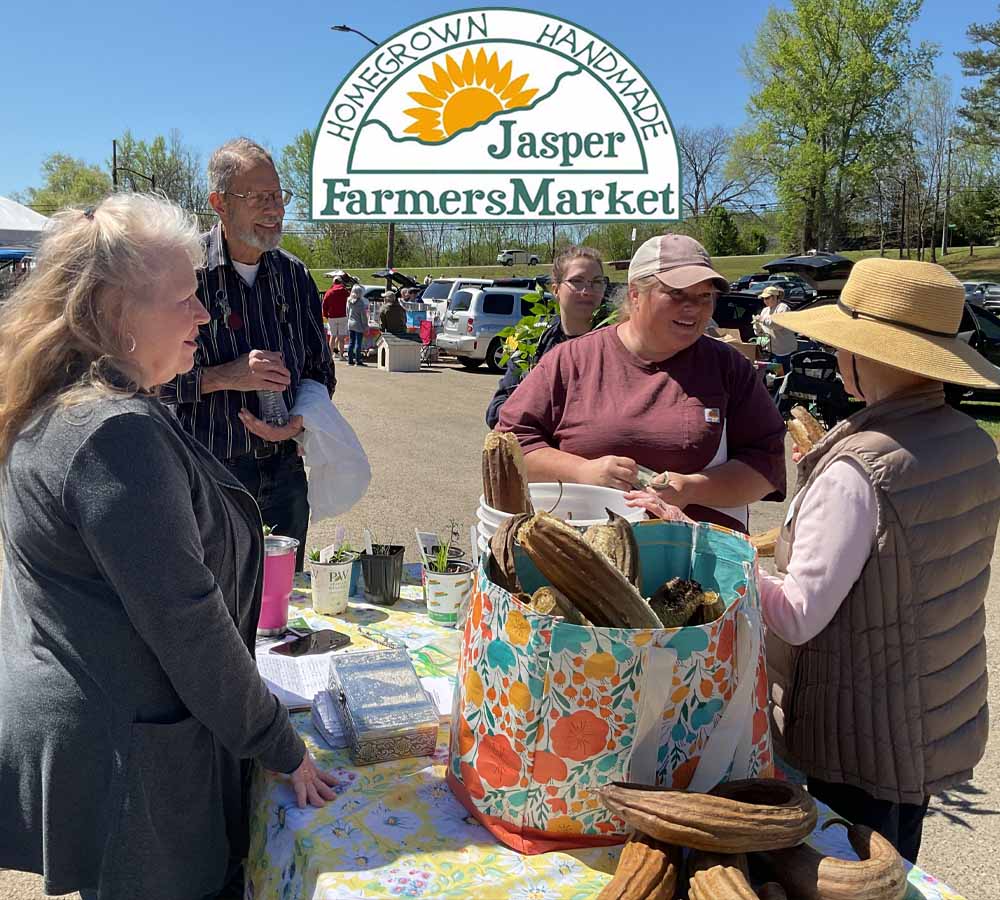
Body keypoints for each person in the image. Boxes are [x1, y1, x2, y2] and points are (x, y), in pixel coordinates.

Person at [0, 194, 337, 900]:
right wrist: (280, 743)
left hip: (115, 730)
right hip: (132, 757)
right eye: (185, 297)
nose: (205, 315)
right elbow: (186, 622)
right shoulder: (111, 433)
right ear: (117, 313)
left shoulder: (75, 402)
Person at [759, 258, 1000, 863]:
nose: (838, 358)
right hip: (926, 716)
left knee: (852, 875)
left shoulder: (859, 469)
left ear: (876, 355)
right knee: (898, 864)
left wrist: (728, 558)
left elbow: (794, 613)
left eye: (846, 345)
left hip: (856, 735)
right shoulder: (971, 440)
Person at [497, 234, 786, 532]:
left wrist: (692, 488)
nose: (694, 308)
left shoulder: (728, 367)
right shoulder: (571, 360)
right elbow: (507, 445)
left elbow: (767, 465)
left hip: (696, 562)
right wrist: (581, 470)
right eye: (677, 294)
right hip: (583, 561)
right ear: (635, 294)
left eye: (704, 296)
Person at [160, 138, 335, 571]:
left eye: (278, 195)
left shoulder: (293, 275)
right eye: (259, 197)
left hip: (286, 474)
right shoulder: (184, 272)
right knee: (213, 603)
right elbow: (149, 379)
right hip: (210, 472)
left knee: (284, 604)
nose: (274, 208)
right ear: (220, 202)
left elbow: (320, 369)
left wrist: (298, 422)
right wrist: (225, 376)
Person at [486, 245, 605, 428]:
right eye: (577, 281)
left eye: (596, 281)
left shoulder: (617, 341)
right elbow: (496, 410)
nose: (587, 290)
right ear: (556, 290)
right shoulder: (535, 341)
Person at [753, 285, 797, 371]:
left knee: (783, 376)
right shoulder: (765, 311)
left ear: (774, 297)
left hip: (784, 352)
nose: (765, 301)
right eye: (764, 298)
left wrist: (761, 320)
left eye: (767, 298)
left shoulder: (783, 308)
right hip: (770, 352)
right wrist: (756, 325)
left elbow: (777, 325)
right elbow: (760, 333)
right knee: (772, 377)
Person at [322, 275, 350, 358]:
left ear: (333, 282)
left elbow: (324, 305)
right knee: (341, 337)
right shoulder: (345, 291)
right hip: (343, 316)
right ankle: (341, 355)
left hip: (332, 317)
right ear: (341, 282)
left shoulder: (329, 292)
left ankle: (330, 356)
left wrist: (325, 315)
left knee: (332, 336)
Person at [346, 283, 369, 366]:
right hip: (358, 323)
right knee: (358, 343)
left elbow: (347, 312)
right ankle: (358, 360)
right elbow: (363, 316)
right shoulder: (361, 302)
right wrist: (366, 325)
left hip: (350, 322)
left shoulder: (348, 300)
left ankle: (350, 360)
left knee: (351, 342)